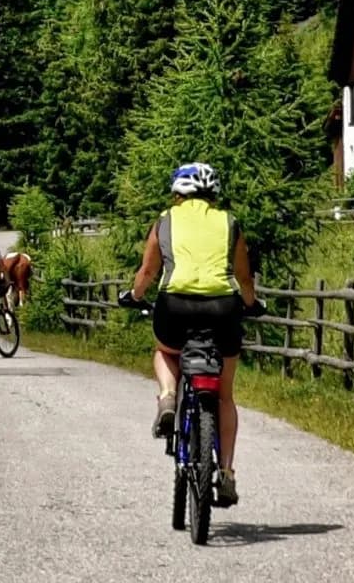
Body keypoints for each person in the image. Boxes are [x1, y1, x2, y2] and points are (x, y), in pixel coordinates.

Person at [119, 162, 260, 509]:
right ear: (213, 193)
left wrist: (134, 296)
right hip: (223, 309)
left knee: (165, 352)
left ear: (177, 192)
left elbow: (149, 270)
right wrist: (252, 304)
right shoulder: (230, 223)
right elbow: (243, 278)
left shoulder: (165, 220)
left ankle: (168, 397)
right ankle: (225, 473)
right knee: (225, 396)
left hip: (175, 307)